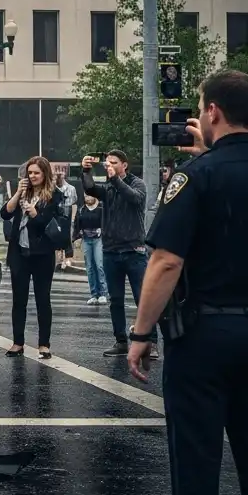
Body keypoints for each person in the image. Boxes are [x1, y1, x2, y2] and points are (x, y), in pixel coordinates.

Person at [129, 69, 248, 495]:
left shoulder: (195, 177)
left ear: (213, 111)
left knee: (196, 464)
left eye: (200, 108)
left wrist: (140, 333)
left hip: (204, 338)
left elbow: (166, 262)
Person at [81, 149, 151, 356]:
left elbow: (134, 199)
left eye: (113, 162)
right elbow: (91, 189)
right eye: (107, 162)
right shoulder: (109, 187)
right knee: (116, 299)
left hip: (134, 250)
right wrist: (85, 170)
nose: (109, 165)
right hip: (111, 250)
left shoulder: (137, 183)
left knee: (142, 298)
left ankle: (150, 341)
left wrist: (116, 180)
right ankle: (121, 341)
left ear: (124, 165)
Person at [0, 156, 70, 359]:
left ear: (44, 174)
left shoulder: (54, 195)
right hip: (20, 253)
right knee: (18, 300)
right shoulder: (23, 192)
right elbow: (5, 213)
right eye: (29, 173)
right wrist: (18, 193)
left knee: (42, 299)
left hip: (42, 253)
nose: (32, 176)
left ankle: (44, 344)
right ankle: (17, 342)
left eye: (36, 173)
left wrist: (34, 213)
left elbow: (47, 224)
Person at [76, 193, 107, 304]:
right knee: (89, 267)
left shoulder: (101, 208)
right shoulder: (82, 209)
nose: (88, 198)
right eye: (85, 196)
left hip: (98, 239)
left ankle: (103, 293)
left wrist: (102, 230)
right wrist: (77, 236)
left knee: (99, 265)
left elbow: (106, 222)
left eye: (90, 196)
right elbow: (77, 223)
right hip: (86, 239)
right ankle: (94, 294)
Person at [54, 169, 78, 270]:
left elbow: (73, 202)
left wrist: (72, 218)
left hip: (66, 214)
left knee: (67, 236)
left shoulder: (71, 188)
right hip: (55, 214)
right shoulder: (53, 188)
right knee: (56, 235)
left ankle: (67, 259)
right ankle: (58, 260)